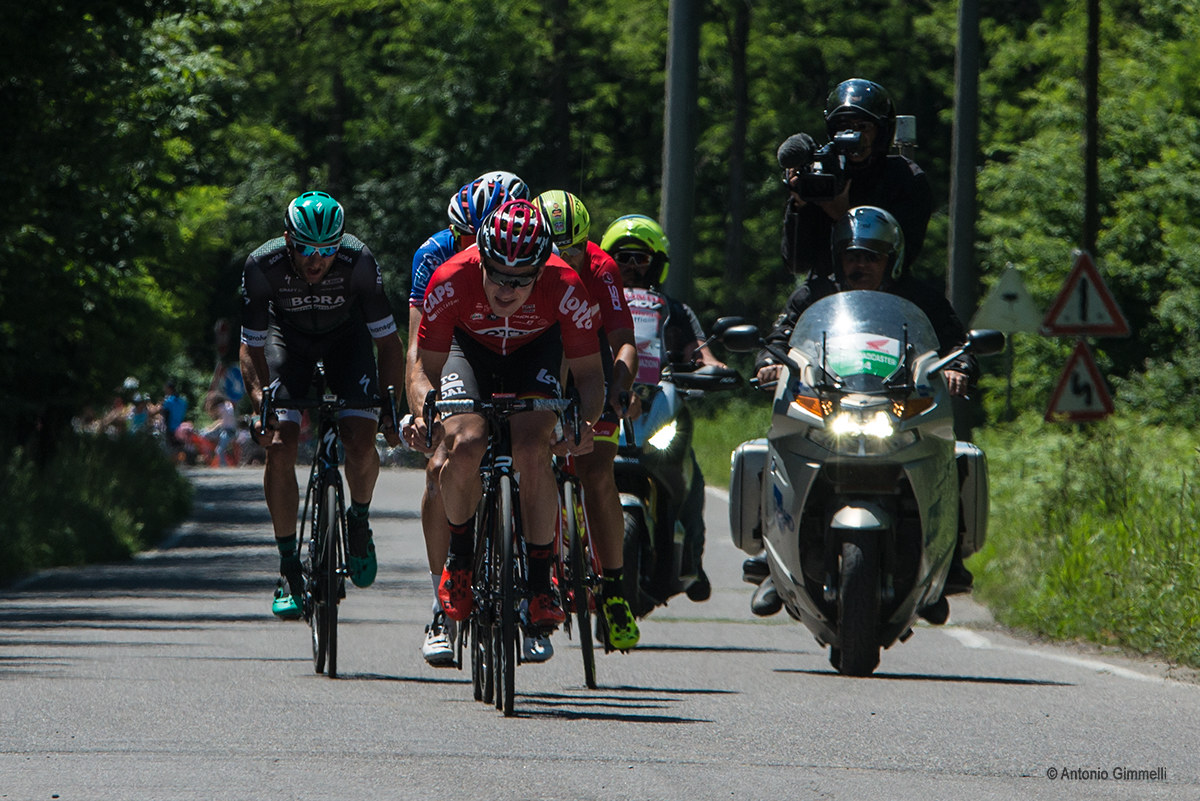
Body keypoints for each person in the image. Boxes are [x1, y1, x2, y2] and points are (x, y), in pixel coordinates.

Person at [748, 205, 977, 618]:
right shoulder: (813, 295)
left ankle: (947, 561)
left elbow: (957, 344)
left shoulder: (921, 299)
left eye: (872, 256)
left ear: (893, 259)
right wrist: (769, 361)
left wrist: (959, 367)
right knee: (772, 450)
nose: (860, 265)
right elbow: (779, 337)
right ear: (838, 257)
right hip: (829, 404)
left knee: (957, 456)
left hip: (898, 408)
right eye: (852, 255)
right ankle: (771, 559)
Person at [402, 199, 606, 646]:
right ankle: (459, 561)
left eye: (521, 278)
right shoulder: (450, 278)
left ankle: (539, 585)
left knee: (533, 446)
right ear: (480, 257)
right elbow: (421, 368)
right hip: (468, 351)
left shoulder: (566, 285)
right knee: (465, 441)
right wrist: (424, 413)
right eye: (496, 273)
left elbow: (591, 378)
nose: (506, 288)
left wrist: (581, 423)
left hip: (535, 353)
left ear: (542, 268)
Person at [239, 190, 404, 619]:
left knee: (360, 440)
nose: (316, 260)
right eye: (306, 249)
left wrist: (390, 407)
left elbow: (389, 343)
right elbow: (251, 348)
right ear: (287, 241)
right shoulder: (262, 265)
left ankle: (358, 519)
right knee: (280, 444)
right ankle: (288, 566)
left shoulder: (358, 261)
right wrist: (260, 404)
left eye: (327, 250)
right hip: (286, 343)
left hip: (346, 343)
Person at [408, 174, 510, 666]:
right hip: (455, 349)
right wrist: (420, 412)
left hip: (516, 351)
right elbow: (418, 348)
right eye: (462, 234)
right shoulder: (434, 255)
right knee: (440, 466)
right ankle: (440, 607)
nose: (470, 245)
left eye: (478, 236)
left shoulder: (532, 255)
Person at [535, 190, 641, 650]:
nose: (566, 258)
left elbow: (623, 341)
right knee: (528, 458)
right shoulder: (521, 266)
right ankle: (535, 572)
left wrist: (621, 386)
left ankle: (614, 589)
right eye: (555, 250)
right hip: (539, 358)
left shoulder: (601, 268)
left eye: (574, 248)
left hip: (588, 363)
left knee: (597, 472)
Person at [599, 214, 724, 602]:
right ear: (607, 261)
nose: (631, 266)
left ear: (656, 264)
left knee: (690, 473)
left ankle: (692, 559)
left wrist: (714, 369)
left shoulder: (676, 310)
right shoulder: (591, 304)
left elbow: (701, 353)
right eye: (622, 257)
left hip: (658, 404)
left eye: (640, 258)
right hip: (599, 402)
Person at [778, 78, 931, 280]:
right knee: (798, 300)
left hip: (886, 288)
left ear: (881, 131)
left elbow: (903, 258)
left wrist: (843, 216)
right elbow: (797, 263)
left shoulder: (905, 177)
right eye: (844, 126)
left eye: (863, 127)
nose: (853, 136)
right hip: (826, 290)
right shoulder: (821, 175)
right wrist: (800, 206)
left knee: (930, 300)